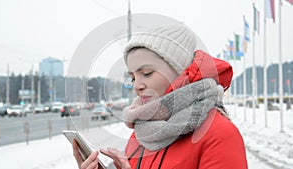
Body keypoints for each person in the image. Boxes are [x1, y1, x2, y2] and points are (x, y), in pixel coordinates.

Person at [73, 23, 248, 169]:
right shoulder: (143, 131)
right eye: (133, 77)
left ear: (181, 72)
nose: (137, 86)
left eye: (147, 73)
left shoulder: (219, 134)